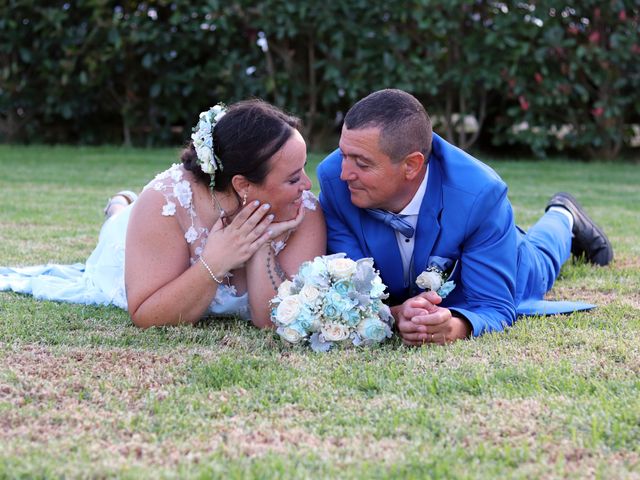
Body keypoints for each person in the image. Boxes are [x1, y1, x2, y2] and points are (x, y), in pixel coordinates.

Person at [317, 88, 613, 346]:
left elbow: (494, 305)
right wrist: (395, 314)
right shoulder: (334, 181)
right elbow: (356, 286)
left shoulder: (480, 193)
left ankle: (563, 215)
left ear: (411, 165)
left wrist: (454, 326)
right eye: (344, 154)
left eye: (362, 163)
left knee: (543, 262)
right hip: (422, 282)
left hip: (513, 261)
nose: (345, 173)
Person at [0, 100, 326, 328]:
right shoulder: (166, 201)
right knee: (116, 227)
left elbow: (272, 321)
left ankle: (121, 206)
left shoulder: (304, 211)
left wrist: (260, 243)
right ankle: (120, 206)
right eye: (293, 177)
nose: (308, 186)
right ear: (243, 184)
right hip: (137, 239)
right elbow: (145, 314)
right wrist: (215, 262)